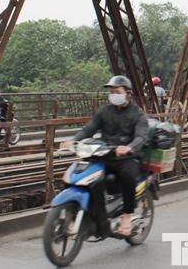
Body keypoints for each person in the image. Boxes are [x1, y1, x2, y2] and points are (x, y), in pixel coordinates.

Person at [61, 75, 148, 238]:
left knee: (128, 175)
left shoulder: (138, 114)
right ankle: (96, 220)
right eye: (112, 91)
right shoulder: (104, 111)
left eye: (117, 91)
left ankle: (127, 216)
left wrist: (129, 147)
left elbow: (141, 137)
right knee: (85, 176)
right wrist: (73, 141)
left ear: (128, 93)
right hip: (105, 154)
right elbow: (89, 128)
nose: (114, 94)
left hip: (126, 157)